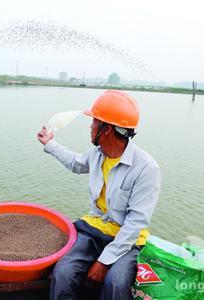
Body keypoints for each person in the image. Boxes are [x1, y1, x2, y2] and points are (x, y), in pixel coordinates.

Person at [37, 90, 161, 300]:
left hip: (127, 240)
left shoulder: (146, 168)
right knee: (63, 272)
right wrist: (50, 143)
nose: (91, 127)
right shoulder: (97, 153)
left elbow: (135, 223)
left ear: (107, 129)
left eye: (94, 122)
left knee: (116, 282)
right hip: (93, 229)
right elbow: (76, 163)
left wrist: (104, 262)